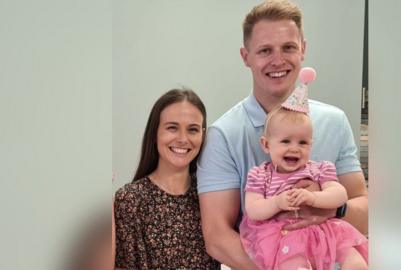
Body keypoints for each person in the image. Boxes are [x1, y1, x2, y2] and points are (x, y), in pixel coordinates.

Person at [197, 0, 368, 268]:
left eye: (288, 47)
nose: (278, 60)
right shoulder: (223, 135)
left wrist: (331, 208)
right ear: (246, 57)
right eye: (265, 50)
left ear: (303, 49)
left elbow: (365, 208)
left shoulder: (335, 121)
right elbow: (217, 237)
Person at [239, 89, 368, 269]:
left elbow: (340, 195)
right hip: (285, 236)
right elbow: (252, 209)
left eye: (303, 142)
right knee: (293, 265)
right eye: (286, 141)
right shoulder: (260, 175)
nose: (295, 148)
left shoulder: (319, 169)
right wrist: (277, 203)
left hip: (326, 231)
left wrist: (314, 198)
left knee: (355, 262)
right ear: (266, 145)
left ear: (311, 144)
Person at [112, 88, 219, 269]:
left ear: (203, 136)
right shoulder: (130, 200)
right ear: (155, 133)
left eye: (192, 130)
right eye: (172, 128)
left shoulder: (211, 195)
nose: (183, 139)